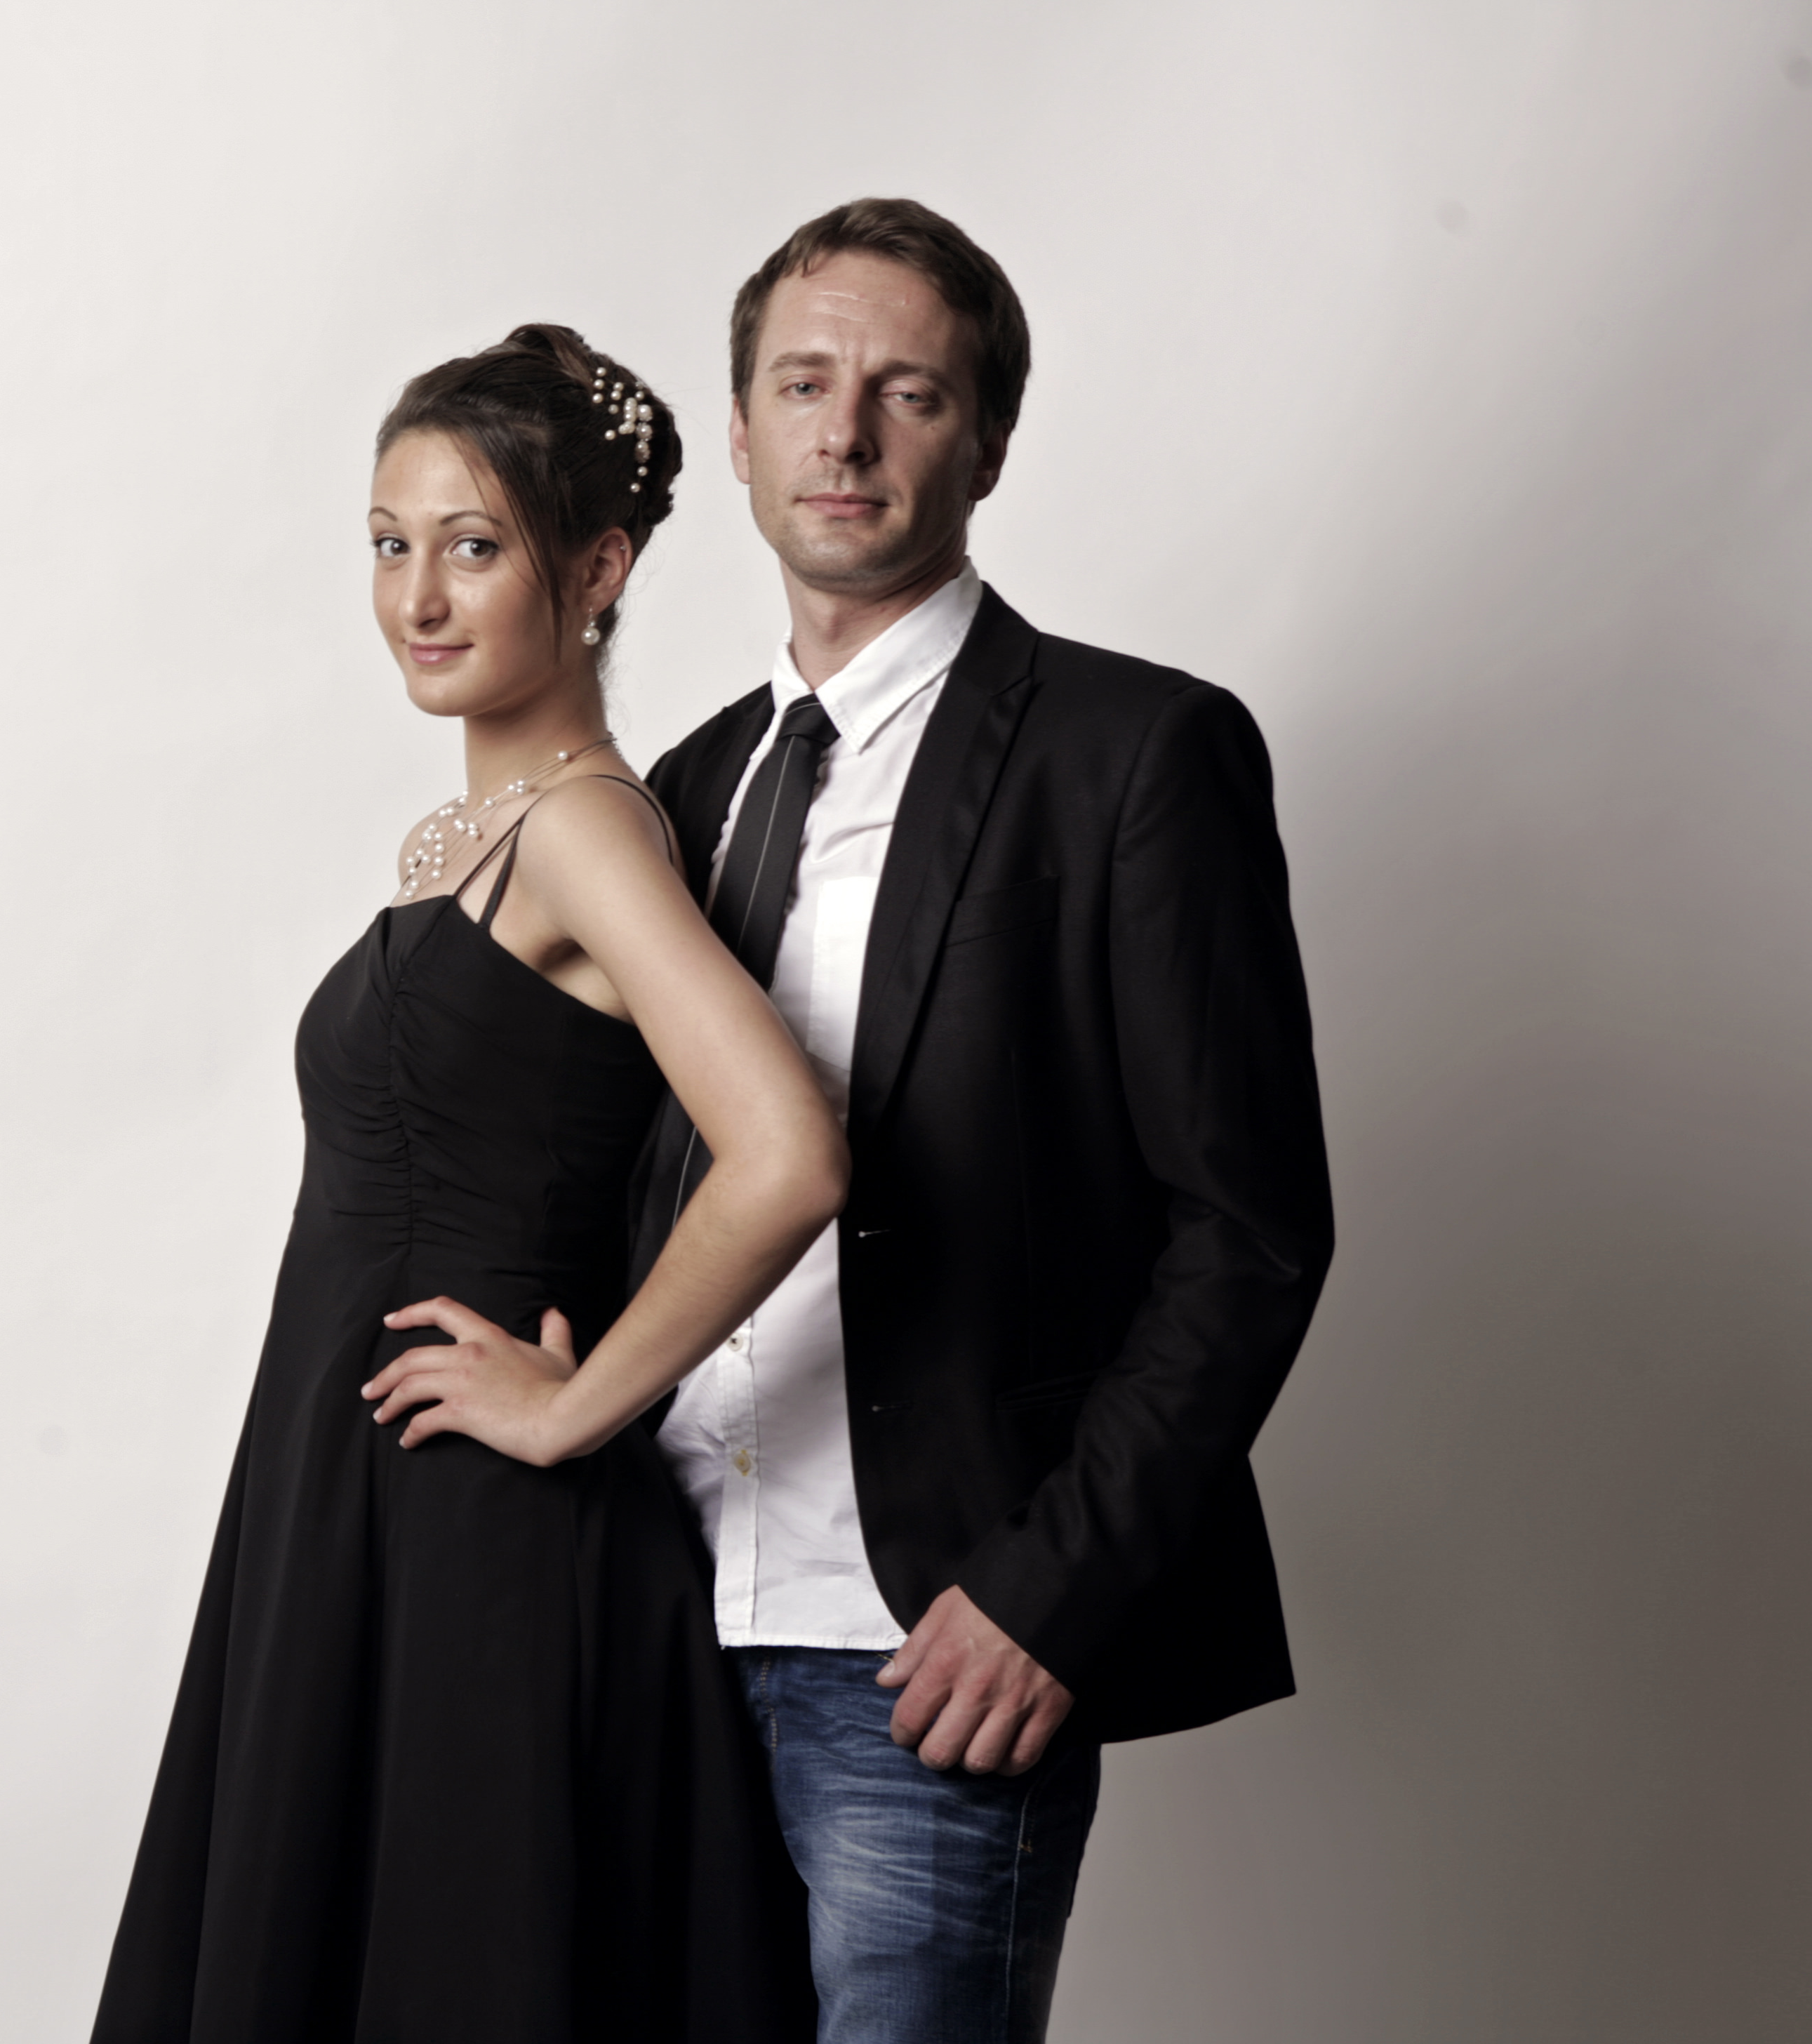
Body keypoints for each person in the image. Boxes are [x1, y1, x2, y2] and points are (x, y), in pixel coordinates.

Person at [622, 199, 1338, 2040]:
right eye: (804, 384)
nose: (847, 433)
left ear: (989, 443)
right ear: (740, 430)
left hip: (928, 1654)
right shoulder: (687, 787)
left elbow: (1248, 1231)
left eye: (910, 392)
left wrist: (1048, 1592)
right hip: (656, 1629)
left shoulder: (1135, 754)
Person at [91, 326, 849, 2043]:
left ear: (598, 570)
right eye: (389, 542)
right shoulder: (472, 842)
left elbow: (789, 1150)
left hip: (472, 1535)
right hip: (354, 1511)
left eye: (474, 545)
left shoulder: (584, 830)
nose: (418, 597)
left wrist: (575, 1407)